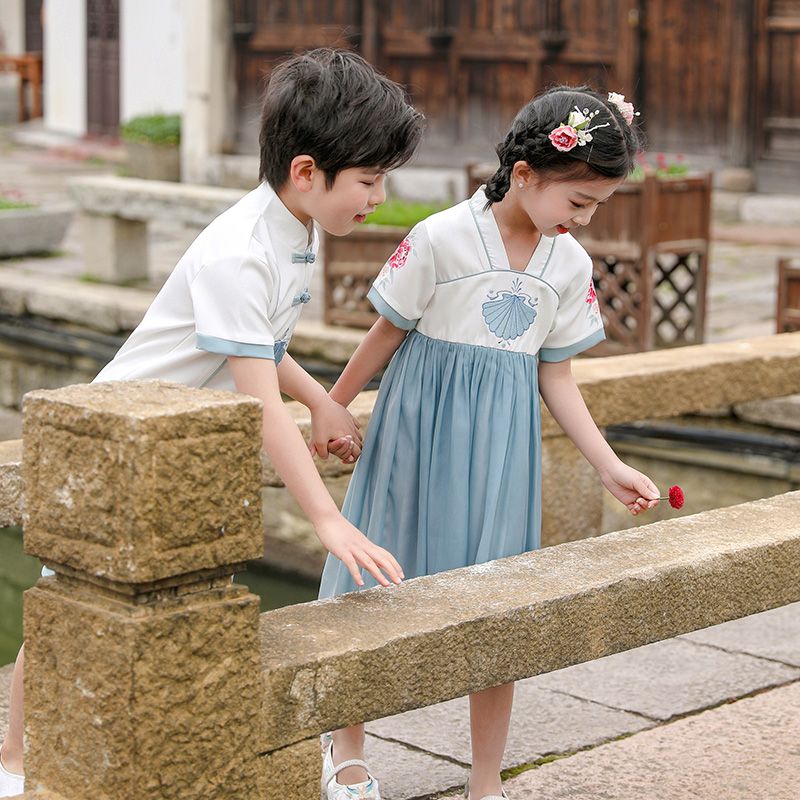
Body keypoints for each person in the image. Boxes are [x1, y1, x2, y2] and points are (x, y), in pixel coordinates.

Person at [0, 48, 424, 798]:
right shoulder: (240, 252)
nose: (378, 197)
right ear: (305, 172)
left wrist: (321, 401)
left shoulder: (292, 229)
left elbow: (262, 347)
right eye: (368, 180)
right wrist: (324, 519)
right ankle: (10, 762)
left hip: (174, 443)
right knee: (61, 606)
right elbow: (256, 395)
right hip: (114, 440)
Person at [316, 86, 660, 800]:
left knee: (499, 605)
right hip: (417, 429)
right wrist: (331, 407)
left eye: (596, 207)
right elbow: (387, 331)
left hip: (502, 448)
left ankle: (484, 779)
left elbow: (555, 376)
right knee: (370, 586)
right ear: (528, 175)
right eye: (578, 202)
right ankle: (345, 748)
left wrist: (608, 464)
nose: (584, 220)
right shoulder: (441, 236)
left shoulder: (568, 266)